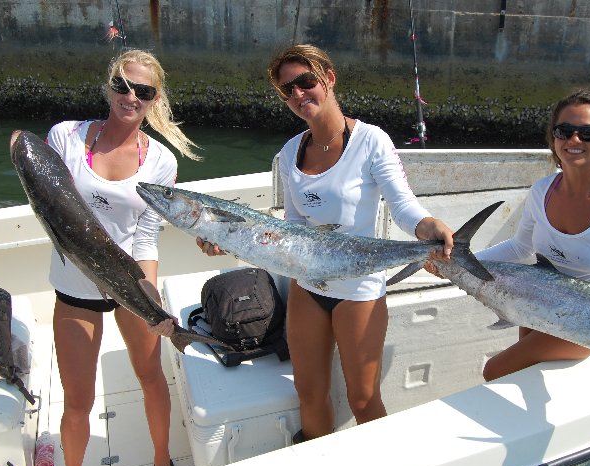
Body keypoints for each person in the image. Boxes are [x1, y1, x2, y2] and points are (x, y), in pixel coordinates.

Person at [193, 43, 454, 442]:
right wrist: (232, 241)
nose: (299, 94)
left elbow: (402, 206)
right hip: (308, 287)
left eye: (306, 82)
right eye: (287, 90)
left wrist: (429, 226)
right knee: (308, 393)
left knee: (363, 398)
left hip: (358, 290)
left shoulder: (371, 141)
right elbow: (294, 229)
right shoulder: (288, 152)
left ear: (328, 79)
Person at [46, 49, 201, 466]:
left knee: (150, 374)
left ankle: (159, 460)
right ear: (109, 85)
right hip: (74, 286)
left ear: (156, 99)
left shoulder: (161, 163)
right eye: (122, 85)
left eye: (144, 90)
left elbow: (147, 237)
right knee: (78, 401)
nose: (130, 96)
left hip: (129, 281)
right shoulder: (67, 137)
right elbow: (53, 207)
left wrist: (150, 301)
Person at [460, 89, 590, 381]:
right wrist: (456, 260)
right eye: (565, 131)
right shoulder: (541, 191)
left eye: (588, 133)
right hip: (536, 302)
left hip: (588, 322)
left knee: (495, 370)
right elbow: (518, 248)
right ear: (554, 138)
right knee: (526, 377)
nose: (574, 140)